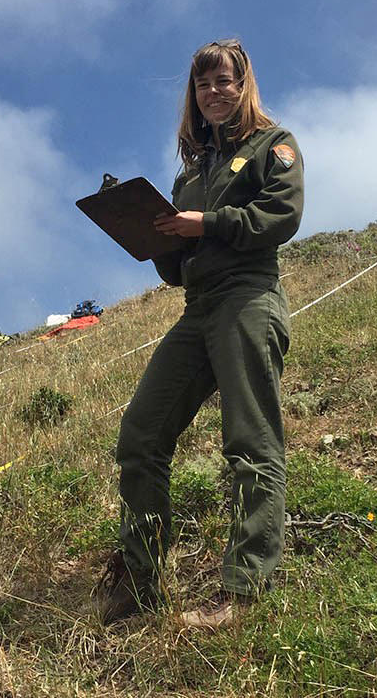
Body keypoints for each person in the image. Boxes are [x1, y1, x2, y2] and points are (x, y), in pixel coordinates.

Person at [95, 39, 304, 628]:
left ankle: (245, 590)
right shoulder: (190, 175)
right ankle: (138, 583)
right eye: (203, 85)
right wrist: (152, 235)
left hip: (248, 297)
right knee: (140, 433)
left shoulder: (273, 146)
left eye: (224, 81)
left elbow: (280, 218)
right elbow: (176, 265)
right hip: (198, 306)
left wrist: (204, 223)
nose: (213, 92)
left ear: (243, 86)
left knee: (250, 438)